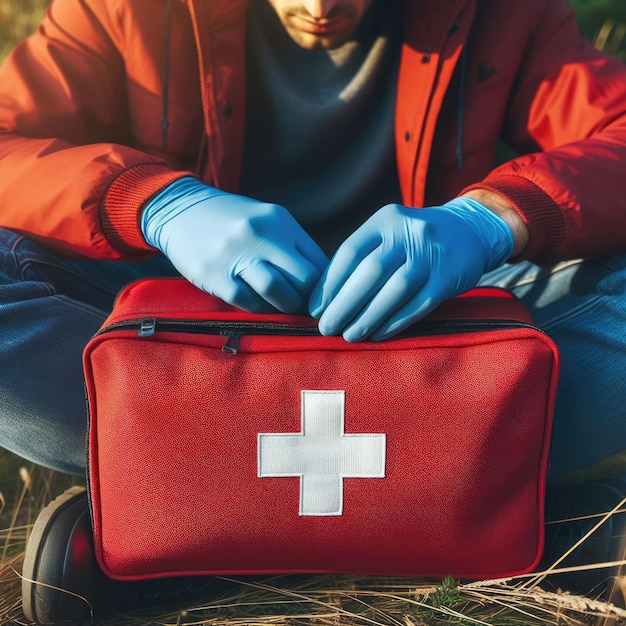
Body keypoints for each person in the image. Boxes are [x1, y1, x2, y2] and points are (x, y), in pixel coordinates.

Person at [1, 0, 626, 621]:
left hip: (429, 327)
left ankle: (173, 506)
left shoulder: (503, 10)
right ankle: (498, 508)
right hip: (192, 335)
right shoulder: (125, 9)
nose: (321, 6)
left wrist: (498, 218)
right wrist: (148, 203)